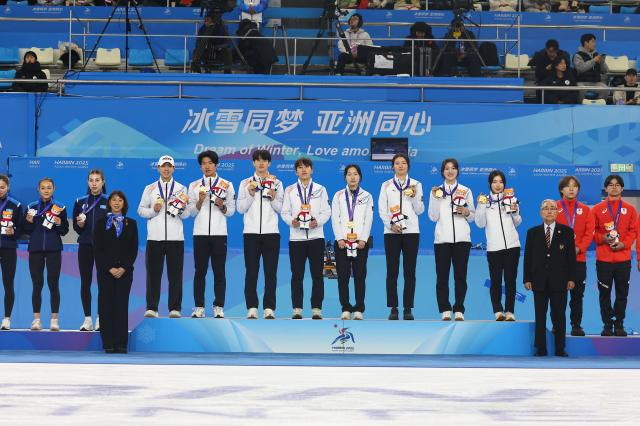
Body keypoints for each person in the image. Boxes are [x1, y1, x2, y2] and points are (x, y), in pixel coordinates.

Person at [137, 155, 190, 319]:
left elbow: (187, 214)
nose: (166, 169)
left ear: (173, 169)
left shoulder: (182, 188)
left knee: (175, 275)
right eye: (163, 166)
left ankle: (175, 308)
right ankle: (152, 308)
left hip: (176, 239)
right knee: (153, 274)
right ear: (158, 168)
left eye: (169, 166)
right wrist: (154, 210)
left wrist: (180, 209)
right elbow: (140, 210)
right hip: (154, 239)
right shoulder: (150, 188)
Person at [524, 200, 576, 357]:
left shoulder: (567, 232)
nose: (549, 211)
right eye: (545, 208)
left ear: (557, 211)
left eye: (552, 208)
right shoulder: (532, 232)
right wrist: (527, 278)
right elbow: (528, 258)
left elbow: (571, 258)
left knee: (559, 315)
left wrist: (571, 278)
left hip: (560, 281)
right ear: (540, 212)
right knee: (540, 315)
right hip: (538, 281)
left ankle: (560, 348)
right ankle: (540, 348)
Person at [281, 158, 331, 320]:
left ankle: (317, 308)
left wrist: (318, 222)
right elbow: (284, 212)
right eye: (300, 168)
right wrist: (291, 222)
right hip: (296, 239)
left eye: (306, 167)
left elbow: (326, 211)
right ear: (296, 171)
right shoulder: (289, 190)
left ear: (312, 170)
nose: (303, 170)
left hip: (316, 237)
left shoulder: (320, 189)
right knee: (297, 275)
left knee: (317, 274)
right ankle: (297, 308)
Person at [187, 151, 235, 319]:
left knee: (219, 271)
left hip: (219, 234)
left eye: (210, 163)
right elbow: (190, 212)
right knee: (199, 271)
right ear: (200, 166)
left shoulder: (226, 184)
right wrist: (200, 201)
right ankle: (199, 307)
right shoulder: (193, 185)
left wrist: (222, 205)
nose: (206, 166)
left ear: (216, 165)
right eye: (203, 163)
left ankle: (218, 306)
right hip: (200, 234)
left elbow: (231, 212)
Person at [237, 149, 284, 319]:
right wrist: (250, 194)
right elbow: (240, 208)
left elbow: (281, 209)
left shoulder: (277, 183)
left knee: (270, 272)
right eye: (258, 160)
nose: (261, 163)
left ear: (269, 163)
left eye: (265, 160)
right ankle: (252, 307)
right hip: (251, 234)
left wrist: (273, 198)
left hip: (271, 233)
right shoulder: (245, 183)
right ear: (253, 163)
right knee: (251, 271)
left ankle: (269, 308)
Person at [379, 153, 425, 320]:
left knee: (409, 271)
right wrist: (391, 225)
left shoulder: (416, 184)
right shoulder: (385, 185)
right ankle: (393, 308)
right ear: (392, 166)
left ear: (408, 166)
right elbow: (382, 210)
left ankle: (407, 308)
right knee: (392, 271)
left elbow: (420, 210)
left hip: (411, 232)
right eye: (397, 163)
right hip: (391, 233)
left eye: (403, 163)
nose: (400, 166)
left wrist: (413, 197)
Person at [428, 158, 475, 321]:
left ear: (457, 171)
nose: (450, 171)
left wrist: (467, 212)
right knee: (442, 276)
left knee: (460, 276)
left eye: (453, 168)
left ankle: (459, 309)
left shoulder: (466, 190)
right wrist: (435, 198)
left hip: (462, 240)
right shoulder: (436, 191)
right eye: (447, 168)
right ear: (442, 172)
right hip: (442, 241)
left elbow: (473, 216)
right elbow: (433, 217)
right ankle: (445, 309)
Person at [591, 175, 638, 336]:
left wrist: (624, 244)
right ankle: (607, 325)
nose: (614, 187)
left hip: (623, 259)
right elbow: (592, 232)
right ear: (606, 188)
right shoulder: (597, 209)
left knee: (622, 293)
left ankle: (619, 323)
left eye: (618, 185)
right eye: (610, 185)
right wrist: (603, 238)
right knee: (604, 294)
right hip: (604, 259)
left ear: (622, 188)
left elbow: (633, 231)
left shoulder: (630, 209)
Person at [93, 191, 138, 354]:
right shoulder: (100, 223)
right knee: (106, 306)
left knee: (121, 306)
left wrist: (124, 268)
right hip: (106, 272)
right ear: (109, 203)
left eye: (120, 200)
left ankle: (121, 344)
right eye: (114, 200)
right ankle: (108, 343)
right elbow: (98, 250)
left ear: (124, 204)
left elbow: (133, 250)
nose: (117, 203)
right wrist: (109, 268)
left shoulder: (131, 224)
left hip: (125, 273)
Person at [475, 170, 522, 321]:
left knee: (510, 280)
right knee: (495, 281)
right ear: (490, 184)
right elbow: (480, 223)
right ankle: (497, 311)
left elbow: (518, 222)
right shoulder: (485, 201)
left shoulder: (511, 198)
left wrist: (514, 212)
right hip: (494, 248)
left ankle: (510, 311)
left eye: (501, 182)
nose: (498, 184)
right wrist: (481, 206)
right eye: (495, 181)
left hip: (512, 246)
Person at [23, 177, 69, 332]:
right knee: (37, 284)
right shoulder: (31, 207)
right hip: (35, 249)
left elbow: (64, 231)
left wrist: (58, 222)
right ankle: (36, 320)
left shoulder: (60, 207)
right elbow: (26, 231)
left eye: (49, 187)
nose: (46, 190)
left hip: (53, 250)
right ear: (38, 189)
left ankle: (54, 320)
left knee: (53, 283)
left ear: (54, 189)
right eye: (43, 188)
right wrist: (28, 221)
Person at [331, 164, 374, 321]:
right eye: (349, 174)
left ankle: (359, 309)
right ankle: (346, 308)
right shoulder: (338, 196)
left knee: (360, 276)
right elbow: (335, 218)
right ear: (345, 177)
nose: (352, 177)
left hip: (360, 243)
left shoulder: (367, 196)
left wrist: (363, 239)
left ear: (360, 177)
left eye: (355, 174)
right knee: (342, 277)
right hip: (342, 243)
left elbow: (368, 219)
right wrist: (339, 238)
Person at [555, 176, 594, 337]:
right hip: (559, 260)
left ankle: (576, 325)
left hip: (579, 259)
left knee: (577, 295)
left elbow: (589, 232)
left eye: (575, 186)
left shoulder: (585, 210)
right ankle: (558, 326)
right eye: (568, 186)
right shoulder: (554, 207)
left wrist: (580, 248)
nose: (571, 189)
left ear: (578, 189)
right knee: (559, 295)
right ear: (561, 190)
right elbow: (550, 231)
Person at [73, 169, 108, 332]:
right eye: (91, 180)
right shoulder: (80, 202)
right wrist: (79, 225)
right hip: (85, 246)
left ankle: (101, 318)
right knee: (85, 283)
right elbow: (76, 228)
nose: (94, 183)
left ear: (103, 182)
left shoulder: (110, 201)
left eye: (97, 180)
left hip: (103, 248)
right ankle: (87, 319)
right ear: (88, 182)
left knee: (103, 284)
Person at [0, 175, 23, 331]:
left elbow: (21, 230)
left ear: (8, 187)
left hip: (8, 248)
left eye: (2, 187)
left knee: (8, 284)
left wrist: (13, 231)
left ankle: (7, 319)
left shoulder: (16, 205)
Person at [573, 33, 609, 100]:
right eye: (592, 41)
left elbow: (605, 70)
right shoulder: (577, 56)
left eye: (594, 42)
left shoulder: (597, 55)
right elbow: (581, 68)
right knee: (581, 89)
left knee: (605, 89)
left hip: (596, 83)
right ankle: (580, 107)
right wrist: (594, 61)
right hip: (581, 82)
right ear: (586, 43)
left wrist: (602, 62)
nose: (594, 44)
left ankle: (599, 107)